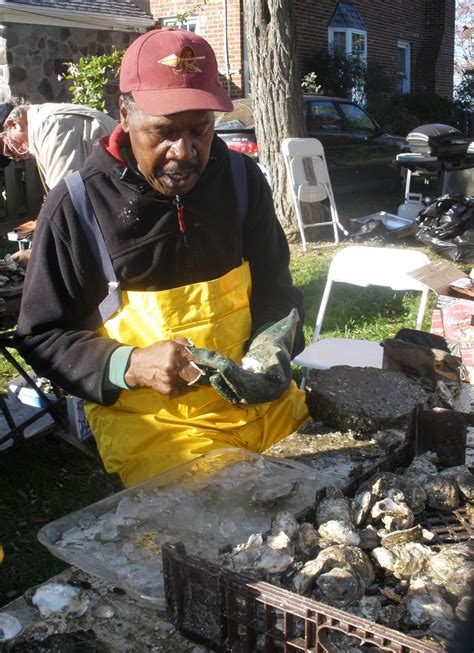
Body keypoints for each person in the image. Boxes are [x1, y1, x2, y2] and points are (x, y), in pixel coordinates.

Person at [16, 28, 309, 487]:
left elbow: (278, 289)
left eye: (200, 130)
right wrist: (129, 366)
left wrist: (276, 341)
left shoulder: (241, 180)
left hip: (260, 402)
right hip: (155, 427)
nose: (185, 152)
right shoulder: (77, 205)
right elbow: (42, 334)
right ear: (125, 116)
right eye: (164, 132)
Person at [0, 100, 117, 263]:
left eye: (8, 151)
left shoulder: (51, 126)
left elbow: (66, 201)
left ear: (14, 124)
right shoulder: (43, 125)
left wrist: (36, 254)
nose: (16, 157)